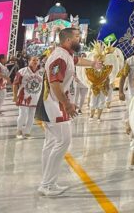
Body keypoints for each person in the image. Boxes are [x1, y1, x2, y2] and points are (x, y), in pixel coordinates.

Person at [36, 27, 101, 197]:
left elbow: (77, 60)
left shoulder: (67, 54)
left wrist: (93, 63)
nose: (80, 39)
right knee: (63, 141)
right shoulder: (59, 57)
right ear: (68, 40)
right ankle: (47, 184)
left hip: (55, 102)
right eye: (78, 37)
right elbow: (55, 83)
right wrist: (67, 104)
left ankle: (47, 182)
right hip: (54, 103)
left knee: (51, 143)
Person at [13, 55, 43, 139]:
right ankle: (19, 130)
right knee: (23, 114)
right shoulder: (22, 71)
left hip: (36, 97)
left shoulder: (42, 72)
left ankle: (27, 132)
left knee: (32, 115)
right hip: (24, 96)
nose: (35, 62)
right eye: (33, 60)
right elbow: (15, 84)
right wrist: (15, 96)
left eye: (37, 60)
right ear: (29, 61)